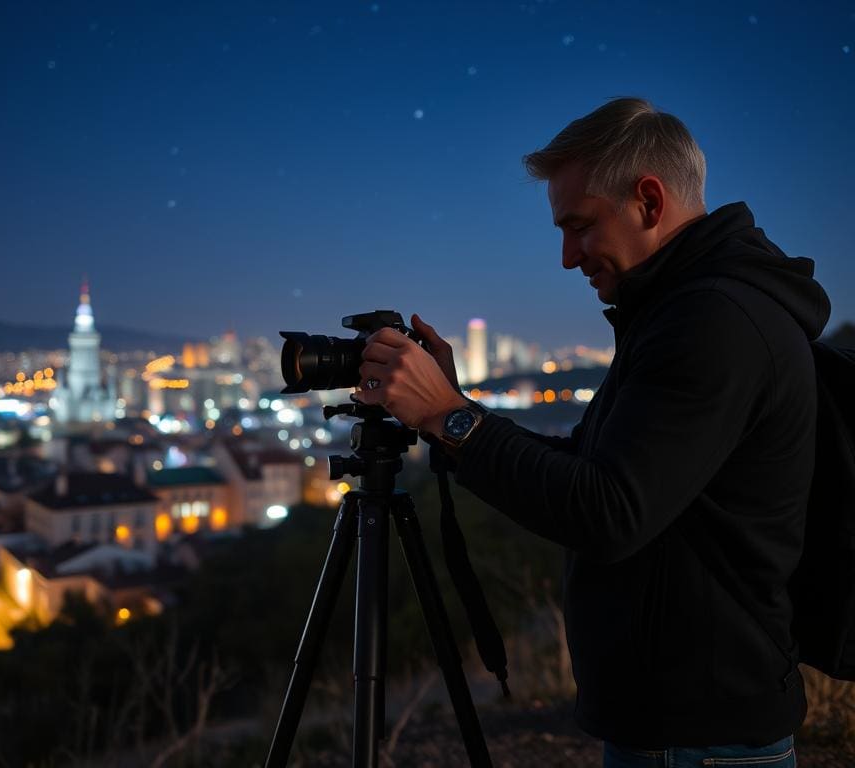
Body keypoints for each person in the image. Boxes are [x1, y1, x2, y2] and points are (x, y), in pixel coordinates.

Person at [352, 97, 831, 767]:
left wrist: (448, 417)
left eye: (579, 227)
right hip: (684, 720)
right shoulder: (682, 311)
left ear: (648, 200)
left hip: (695, 733)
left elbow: (606, 510)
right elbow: (591, 467)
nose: (567, 257)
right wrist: (457, 414)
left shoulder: (713, 322)